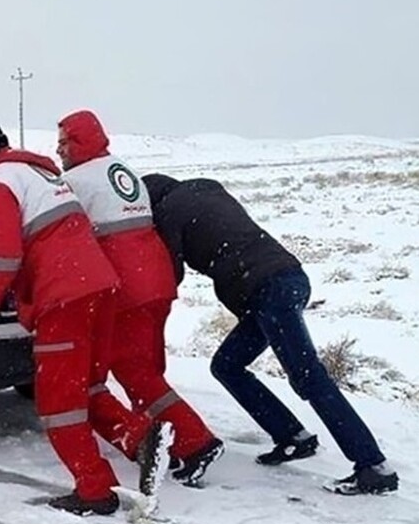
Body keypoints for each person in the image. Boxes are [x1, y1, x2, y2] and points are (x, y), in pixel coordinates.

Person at [0, 114, 167, 516]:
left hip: (62, 296)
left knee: (58, 402)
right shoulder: (39, 174)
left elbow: (5, 256)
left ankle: (94, 491)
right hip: (100, 286)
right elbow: (33, 234)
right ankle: (139, 438)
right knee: (87, 386)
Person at [143, 174, 399, 495]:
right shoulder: (206, 188)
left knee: (309, 377)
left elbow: (170, 273)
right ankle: (293, 436)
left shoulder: (169, 210)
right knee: (227, 365)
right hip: (287, 278)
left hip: (267, 290)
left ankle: (373, 466)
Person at [57, 111, 223, 486]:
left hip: (127, 288)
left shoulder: (75, 180)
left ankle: (195, 443)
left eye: (65, 142)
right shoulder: (121, 170)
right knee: (148, 367)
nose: (58, 149)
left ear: (81, 142)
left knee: (135, 372)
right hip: (157, 279)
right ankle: (162, 438)